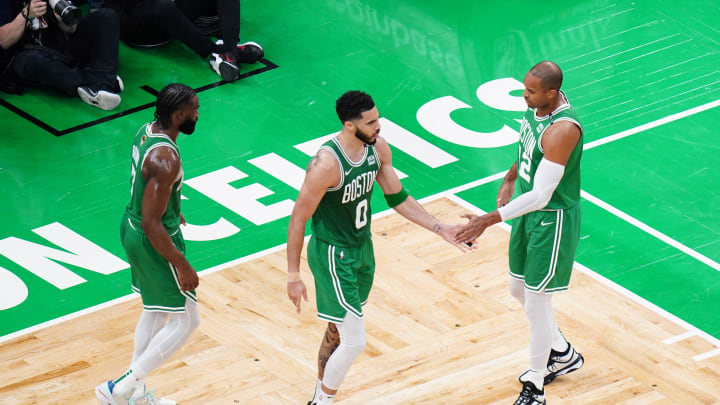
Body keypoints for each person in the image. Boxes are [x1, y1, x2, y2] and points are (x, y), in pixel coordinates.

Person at [286, 90, 473, 405]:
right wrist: (293, 273)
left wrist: (441, 229)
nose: (379, 126)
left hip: (362, 248)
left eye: (378, 119)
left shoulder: (378, 149)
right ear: (349, 125)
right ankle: (322, 402)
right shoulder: (326, 165)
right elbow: (298, 219)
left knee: (338, 331)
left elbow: (397, 197)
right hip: (333, 253)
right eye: (371, 122)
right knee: (355, 341)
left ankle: (319, 393)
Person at [454, 61, 584, 405]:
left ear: (551, 93)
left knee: (537, 304)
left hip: (551, 220)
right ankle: (561, 352)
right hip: (528, 214)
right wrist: (512, 175)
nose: (523, 95)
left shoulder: (563, 129)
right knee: (518, 290)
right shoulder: (537, 108)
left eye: (530, 91)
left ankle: (535, 386)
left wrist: (487, 220)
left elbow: (543, 194)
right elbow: (529, 148)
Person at [95, 83, 201, 405]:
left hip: (132, 226)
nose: (198, 114)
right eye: (194, 109)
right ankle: (119, 389)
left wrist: (173, 210)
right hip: (152, 238)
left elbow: (148, 194)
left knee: (154, 311)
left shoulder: (147, 131)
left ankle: (135, 395)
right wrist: (182, 265)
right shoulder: (165, 158)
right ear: (178, 114)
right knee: (187, 320)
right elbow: (152, 223)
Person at [0, 0, 123, 109]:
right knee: (35, 61)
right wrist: (26, 15)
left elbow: (71, 30)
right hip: (25, 53)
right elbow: (4, 41)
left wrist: (65, 21)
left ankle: (99, 82)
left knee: (107, 16)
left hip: (60, 46)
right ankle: (100, 81)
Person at [104, 0, 263, 82]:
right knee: (164, 7)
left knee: (167, 6)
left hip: (169, 13)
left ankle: (230, 51)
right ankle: (213, 51)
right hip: (136, 26)